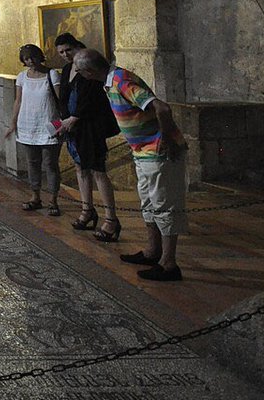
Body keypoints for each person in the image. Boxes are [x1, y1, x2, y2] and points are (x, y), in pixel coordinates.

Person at [74, 49, 188, 282]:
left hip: (157, 153)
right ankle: (152, 251)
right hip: (143, 153)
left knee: (163, 204)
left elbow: (162, 107)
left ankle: (168, 264)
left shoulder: (121, 82)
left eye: (79, 70)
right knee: (148, 202)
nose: (78, 74)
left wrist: (165, 138)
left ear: (89, 71)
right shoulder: (110, 81)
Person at [54, 34, 122, 241]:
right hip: (72, 128)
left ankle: (111, 218)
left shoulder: (89, 68)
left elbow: (93, 100)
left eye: (68, 50)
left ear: (77, 47)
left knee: (98, 171)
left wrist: (75, 118)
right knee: (80, 168)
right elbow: (64, 97)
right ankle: (87, 210)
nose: (65, 55)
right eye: (61, 52)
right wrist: (63, 120)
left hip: (90, 127)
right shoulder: (67, 70)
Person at [4, 45, 62, 215]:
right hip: (28, 125)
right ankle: (35, 196)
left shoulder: (52, 75)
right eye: (26, 59)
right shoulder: (22, 77)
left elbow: (60, 100)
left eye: (32, 57)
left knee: (50, 163)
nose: (30, 61)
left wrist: (61, 124)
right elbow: (18, 101)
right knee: (33, 163)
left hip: (49, 125)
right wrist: (13, 123)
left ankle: (53, 199)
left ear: (39, 56)